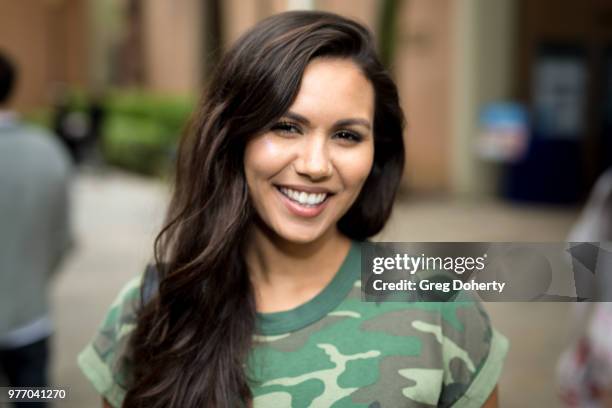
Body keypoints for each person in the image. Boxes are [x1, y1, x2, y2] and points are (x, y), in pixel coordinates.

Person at [77, 11, 508, 408]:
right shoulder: (151, 308)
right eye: (286, 127)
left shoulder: (442, 307)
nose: (316, 166)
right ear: (233, 137)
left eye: (347, 136)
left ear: (378, 153)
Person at [0, 51, 72, 406]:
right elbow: (62, 239)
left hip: (29, 314)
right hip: (31, 319)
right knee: (33, 398)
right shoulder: (47, 150)